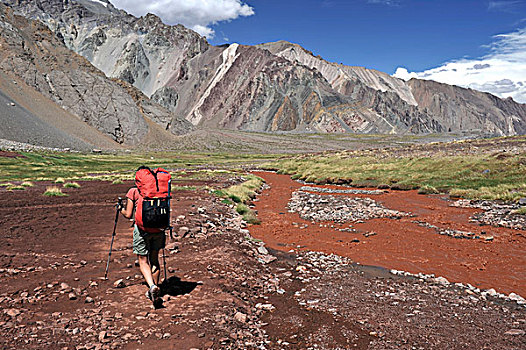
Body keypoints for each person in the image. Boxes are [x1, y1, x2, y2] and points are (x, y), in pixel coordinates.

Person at [119, 186, 165, 305]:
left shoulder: (133, 191)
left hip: (142, 230)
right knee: (154, 259)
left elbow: (128, 214)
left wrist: (120, 209)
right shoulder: (159, 191)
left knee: (143, 260)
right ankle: (154, 290)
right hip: (158, 229)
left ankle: (152, 286)